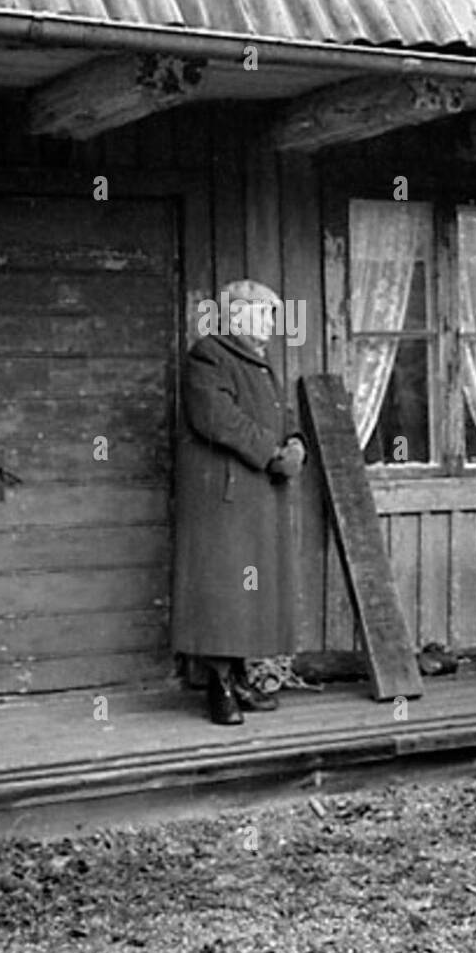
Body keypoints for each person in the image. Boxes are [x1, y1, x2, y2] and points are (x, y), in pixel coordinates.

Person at [172, 279, 306, 725]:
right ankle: (220, 688)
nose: (272, 323)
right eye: (266, 313)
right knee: (223, 592)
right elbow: (217, 419)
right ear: (240, 314)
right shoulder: (207, 356)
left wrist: (296, 446)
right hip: (224, 498)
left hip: (258, 494)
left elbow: (283, 416)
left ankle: (241, 680)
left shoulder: (262, 363)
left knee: (250, 591)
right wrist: (272, 452)